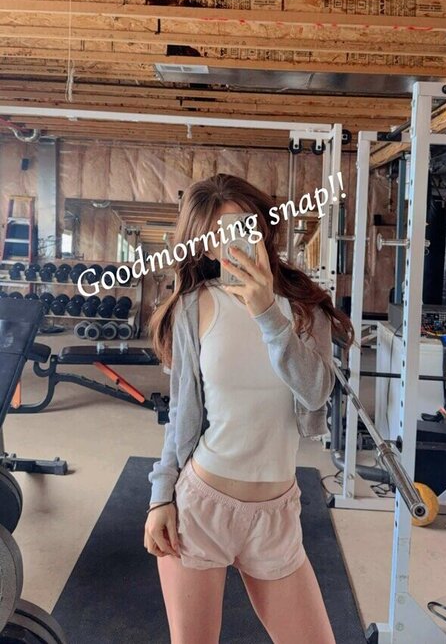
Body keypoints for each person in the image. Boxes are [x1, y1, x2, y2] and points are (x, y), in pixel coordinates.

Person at [144, 173, 354, 644]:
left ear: (262, 227)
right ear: (203, 245)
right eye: (217, 234)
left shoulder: (305, 306)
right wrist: (161, 496)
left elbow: (316, 392)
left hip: (277, 516)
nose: (233, 242)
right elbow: (182, 413)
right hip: (202, 506)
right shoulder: (193, 306)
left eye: (243, 226)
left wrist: (266, 313)